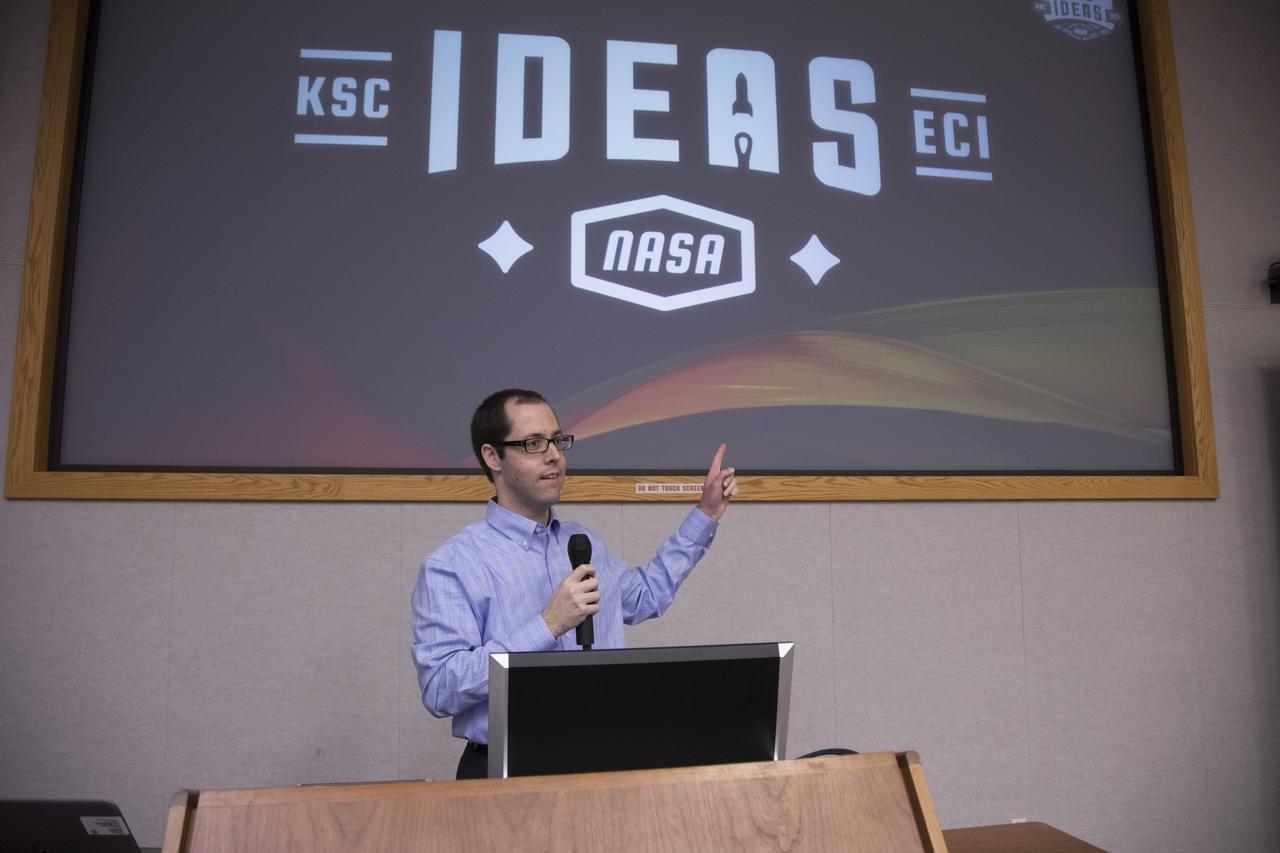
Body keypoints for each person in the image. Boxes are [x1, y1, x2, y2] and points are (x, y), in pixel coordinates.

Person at [410, 388, 738, 779]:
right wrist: (547, 625)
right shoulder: (453, 565)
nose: (553, 456)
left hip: (603, 760)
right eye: (533, 444)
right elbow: (440, 688)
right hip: (506, 770)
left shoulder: (583, 545)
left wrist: (705, 515)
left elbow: (645, 595)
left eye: (557, 441)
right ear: (492, 457)